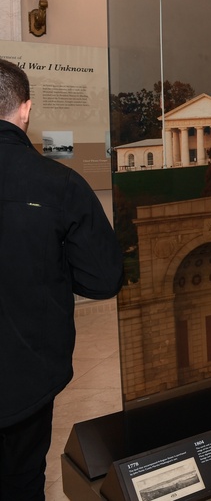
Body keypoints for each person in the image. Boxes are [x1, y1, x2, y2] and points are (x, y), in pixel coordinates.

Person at [0, 59, 124, 498]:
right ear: (26, 109)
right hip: (26, 378)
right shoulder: (59, 185)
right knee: (22, 479)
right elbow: (103, 279)